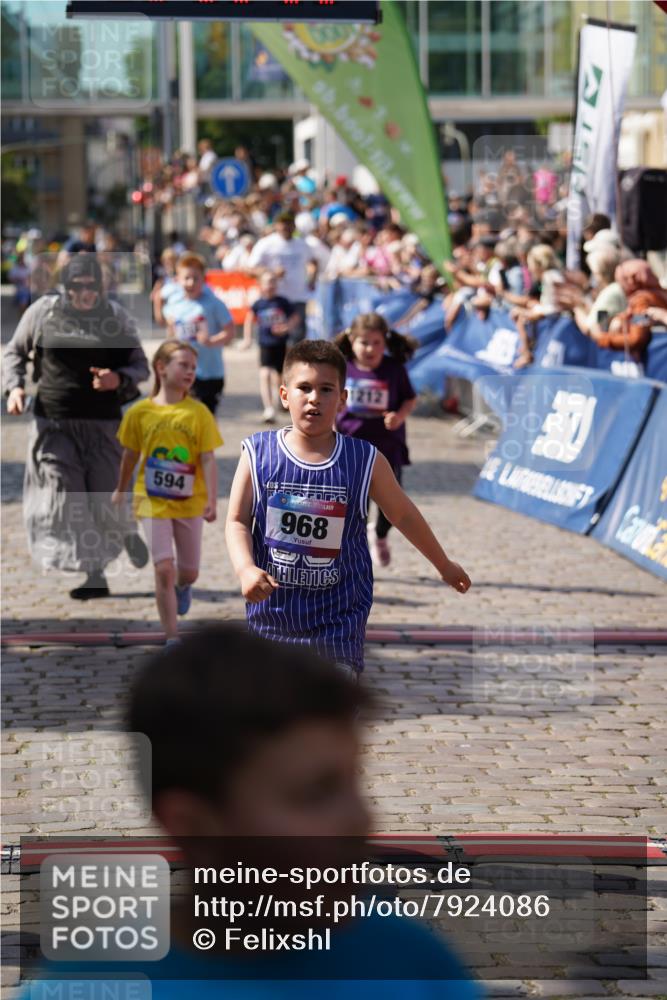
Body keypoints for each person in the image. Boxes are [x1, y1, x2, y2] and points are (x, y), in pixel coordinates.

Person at [225, 340, 471, 677]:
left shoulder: (365, 460)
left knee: (327, 716)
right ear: (284, 395)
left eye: (326, 389)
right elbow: (237, 520)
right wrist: (245, 569)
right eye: (304, 388)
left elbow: (403, 515)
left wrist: (443, 564)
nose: (314, 398)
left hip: (338, 621)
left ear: (342, 398)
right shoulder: (258, 453)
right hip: (274, 618)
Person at [3, 254, 150, 599]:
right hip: (53, 424)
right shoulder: (44, 312)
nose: (84, 293)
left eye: (90, 286)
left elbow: (140, 365)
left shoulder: (115, 318)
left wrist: (120, 379)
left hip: (103, 426)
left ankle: (126, 532)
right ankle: (94, 573)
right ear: (65, 287)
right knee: (70, 497)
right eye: (76, 286)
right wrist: (15, 388)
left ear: (100, 287)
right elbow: (14, 352)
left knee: (104, 497)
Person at [112, 342, 222, 644]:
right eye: (183, 365)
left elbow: (208, 458)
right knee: (163, 568)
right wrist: (121, 490)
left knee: (189, 571)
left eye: (193, 367)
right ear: (161, 368)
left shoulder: (198, 412)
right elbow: (130, 456)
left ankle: (184, 587)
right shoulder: (140, 412)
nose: (190, 372)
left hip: (190, 503)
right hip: (151, 501)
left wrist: (212, 500)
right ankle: (171, 636)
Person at [334, 314, 417, 568]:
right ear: (351, 340)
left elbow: (409, 398)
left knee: (392, 509)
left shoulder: (393, 369)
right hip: (350, 448)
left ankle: (380, 534)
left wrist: (399, 416)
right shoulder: (343, 368)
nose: (370, 349)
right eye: (364, 342)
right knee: (352, 508)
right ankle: (352, 558)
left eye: (376, 343)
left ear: (386, 342)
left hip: (386, 448)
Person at [164, 252, 235, 415]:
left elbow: (230, 331)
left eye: (196, 278)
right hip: (182, 371)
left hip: (210, 372)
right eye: (186, 278)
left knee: (206, 418)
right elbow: (171, 329)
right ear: (178, 279)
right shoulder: (175, 303)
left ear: (204, 279)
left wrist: (212, 341)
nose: (191, 283)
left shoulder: (214, 303)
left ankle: (208, 441)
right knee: (184, 417)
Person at [247, 212, 319, 346]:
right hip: (275, 299)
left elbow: (313, 261)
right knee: (276, 339)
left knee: (297, 338)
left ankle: (293, 365)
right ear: (276, 226)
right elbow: (250, 269)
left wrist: (312, 278)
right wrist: (271, 273)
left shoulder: (302, 244)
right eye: (283, 224)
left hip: (298, 297)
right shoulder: (266, 243)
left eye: (289, 224)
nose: (286, 227)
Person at [243, 269, 298, 423]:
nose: (271, 285)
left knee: (280, 377)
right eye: (267, 282)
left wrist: (286, 327)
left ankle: (281, 400)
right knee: (265, 373)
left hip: (281, 345)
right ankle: (269, 408)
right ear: (260, 285)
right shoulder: (259, 304)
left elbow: (295, 317)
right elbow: (249, 319)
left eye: (274, 281)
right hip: (265, 344)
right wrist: (247, 339)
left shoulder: (282, 302)